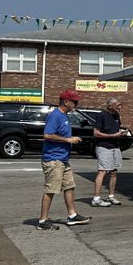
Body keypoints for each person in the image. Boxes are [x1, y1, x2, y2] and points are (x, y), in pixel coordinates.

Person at [37, 90, 92, 229]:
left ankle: (72, 215)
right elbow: (48, 135)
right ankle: (43, 221)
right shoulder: (55, 115)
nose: (77, 104)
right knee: (51, 189)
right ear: (66, 102)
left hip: (63, 159)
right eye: (74, 101)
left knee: (69, 186)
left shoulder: (64, 115)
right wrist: (68, 139)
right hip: (53, 159)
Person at [91, 98, 129, 207]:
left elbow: (116, 127)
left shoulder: (116, 115)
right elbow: (96, 133)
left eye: (120, 104)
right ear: (110, 106)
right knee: (102, 171)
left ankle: (111, 196)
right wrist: (112, 136)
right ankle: (96, 198)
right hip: (104, 146)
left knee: (114, 172)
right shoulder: (102, 115)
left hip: (115, 146)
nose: (120, 107)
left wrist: (122, 131)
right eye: (117, 105)